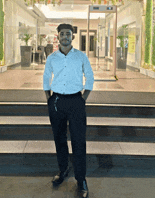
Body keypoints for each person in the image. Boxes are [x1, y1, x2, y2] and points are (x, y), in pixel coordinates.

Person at [43, 23, 94, 198]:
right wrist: (49, 99)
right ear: (58, 36)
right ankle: (63, 170)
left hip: (76, 101)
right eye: (62, 33)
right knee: (59, 138)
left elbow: (90, 76)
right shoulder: (52, 58)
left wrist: (83, 98)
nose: (65, 36)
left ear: (72, 36)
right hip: (57, 100)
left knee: (79, 141)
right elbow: (45, 79)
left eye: (68, 33)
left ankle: (81, 180)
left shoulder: (80, 56)